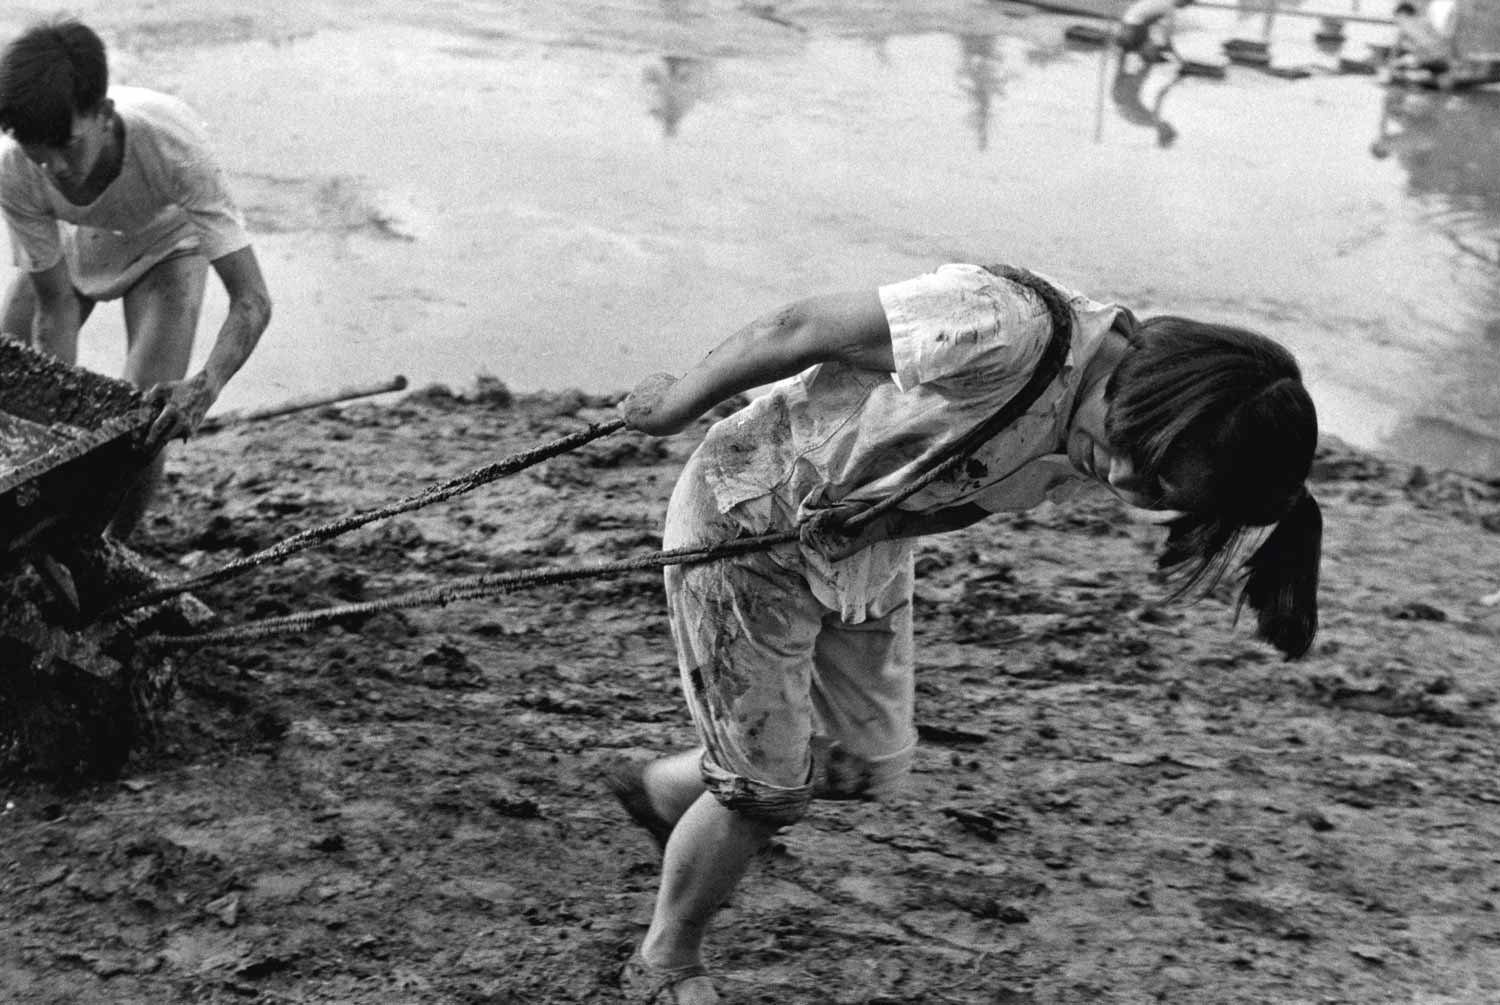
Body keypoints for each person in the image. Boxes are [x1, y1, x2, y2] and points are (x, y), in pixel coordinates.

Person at [609, 262, 1323, 1004]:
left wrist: (887, 520)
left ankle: (665, 791)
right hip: (749, 512)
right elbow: (804, 328)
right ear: (1154, 400)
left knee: (863, 761)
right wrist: (676, 405)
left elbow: (982, 487)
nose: (1119, 482)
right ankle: (667, 957)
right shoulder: (1002, 324)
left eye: (1158, 496)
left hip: (854, 545)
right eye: (1132, 463)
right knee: (764, 790)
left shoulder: (1117, 429)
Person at [0, 17, 272, 539]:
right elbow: (54, 311)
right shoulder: (18, 168)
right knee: (11, 381)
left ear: (104, 115)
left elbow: (252, 301)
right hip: (83, 236)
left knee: (143, 423)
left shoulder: (174, 148)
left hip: (168, 245)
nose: (56, 167)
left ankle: (108, 547)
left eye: (68, 145)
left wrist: (206, 385)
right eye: (40, 152)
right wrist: (49, 440)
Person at [1116, 0, 1195, 65]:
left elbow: (1157, 28)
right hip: (1133, 29)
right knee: (1154, 46)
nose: (1185, 7)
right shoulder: (1169, 8)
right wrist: (1176, 56)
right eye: (1187, 4)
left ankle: (1139, 55)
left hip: (1126, 24)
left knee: (1151, 41)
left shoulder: (1163, 3)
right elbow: (1166, 36)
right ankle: (1144, 57)